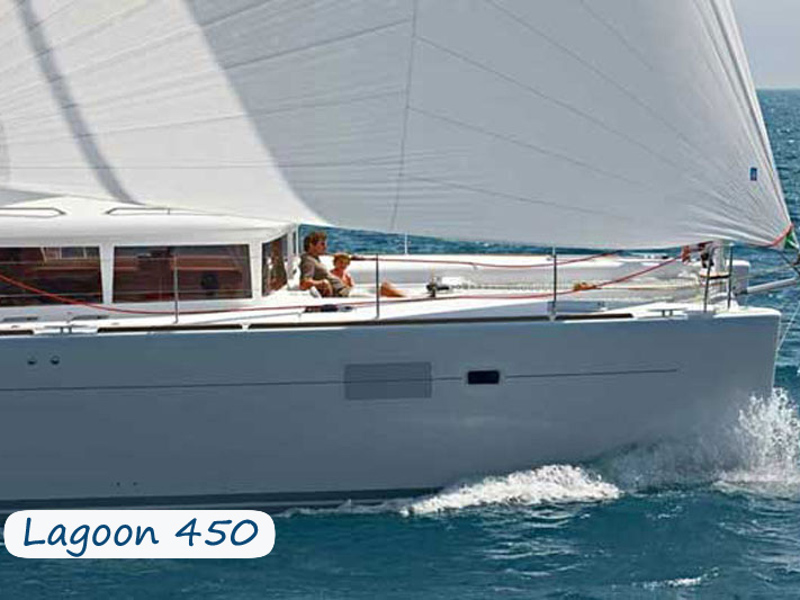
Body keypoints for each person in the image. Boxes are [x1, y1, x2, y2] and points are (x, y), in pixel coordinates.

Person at [299, 231, 349, 297]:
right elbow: (304, 283)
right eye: (322, 244)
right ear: (311, 245)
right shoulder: (308, 261)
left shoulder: (314, 258)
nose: (325, 247)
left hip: (343, 290)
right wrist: (322, 283)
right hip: (340, 294)